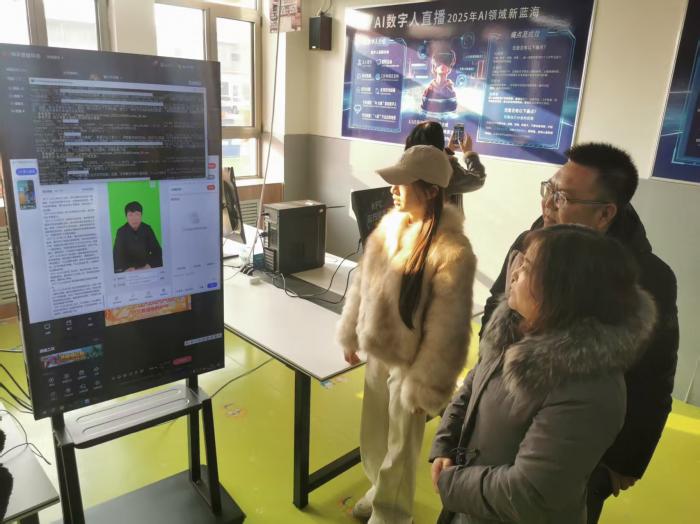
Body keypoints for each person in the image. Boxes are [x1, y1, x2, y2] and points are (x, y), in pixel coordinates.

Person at [479, 143, 679, 523]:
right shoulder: (529, 243)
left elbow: (654, 375)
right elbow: (495, 310)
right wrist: (479, 396)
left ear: (605, 213)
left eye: (562, 197)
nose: (547, 204)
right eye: (549, 189)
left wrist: (625, 461)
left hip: (579, 453)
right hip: (500, 426)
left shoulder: (647, 279)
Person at [431, 225, 658, 524]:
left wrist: (451, 482)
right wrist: (445, 445)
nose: (514, 273)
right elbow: (474, 383)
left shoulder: (590, 391)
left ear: (562, 289)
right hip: (469, 509)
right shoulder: (516, 327)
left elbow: (531, 494)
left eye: (527, 267)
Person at [337, 144, 476, 523]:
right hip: (378, 351)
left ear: (430, 191)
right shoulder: (389, 226)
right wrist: (350, 331)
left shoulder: (452, 249)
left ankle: (392, 515)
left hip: (412, 366)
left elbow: (448, 329)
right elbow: (362, 283)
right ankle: (377, 490)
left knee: (401, 446)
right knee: (374, 435)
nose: (393, 189)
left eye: (402, 182)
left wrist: (427, 385)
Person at [404, 120, 486, 211]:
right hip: (441, 218)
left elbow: (429, 155)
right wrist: (469, 153)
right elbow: (478, 179)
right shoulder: (447, 170)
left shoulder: (406, 165)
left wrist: (448, 150)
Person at [113, 201, 163, 273]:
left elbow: (158, 252)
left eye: (137, 214)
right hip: (129, 269)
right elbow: (116, 256)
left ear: (141, 215)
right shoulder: (121, 232)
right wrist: (125, 270)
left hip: (146, 267)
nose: (134, 218)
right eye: (130, 215)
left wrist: (150, 265)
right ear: (126, 216)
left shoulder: (147, 229)